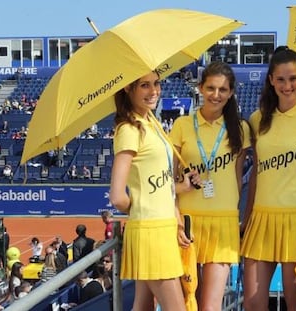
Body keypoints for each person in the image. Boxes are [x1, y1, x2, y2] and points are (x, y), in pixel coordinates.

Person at [240, 46, 296, 311]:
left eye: (292, 78)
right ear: (271, 80)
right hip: (261, 218)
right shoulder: (257, 119)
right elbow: (255, 173)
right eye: (280, 79)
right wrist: (246, 218)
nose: (287, 85)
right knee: (253, 303)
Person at [169, 60, 252, 310]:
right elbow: (170, 179)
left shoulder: (240, 128)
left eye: (223, 89)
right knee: (187, 301)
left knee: (210, 306)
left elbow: (239, 178)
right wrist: (177, 215)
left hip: (223, 222)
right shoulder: (182, 125)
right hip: (188, 223)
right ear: (201, 88)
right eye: (211, 88)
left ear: (231, 92)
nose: (216, 95)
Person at [109, 71, 186, 311]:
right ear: (128, 90)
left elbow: (163, 187)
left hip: (161, 228)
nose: (154, 91)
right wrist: (142, 207)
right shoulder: (129, 129)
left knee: (143, 306)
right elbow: (117, 196)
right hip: (150, 231)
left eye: (156, 83)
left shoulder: (151, 122)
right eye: (144, 85)